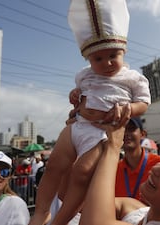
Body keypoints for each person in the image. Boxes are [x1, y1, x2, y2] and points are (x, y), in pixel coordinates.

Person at [30, 1, 150, 225]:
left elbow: (144, 102)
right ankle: (41, 212)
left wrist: (130, 109)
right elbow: (80, 92)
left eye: (113, 55)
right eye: (98, 59)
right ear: (88, 59)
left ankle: (60, 221)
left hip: (103, 134)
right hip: (78, 126)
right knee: (54, 166)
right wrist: (74, 95)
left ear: (123, 51)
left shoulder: (133, 78)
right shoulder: (84, 75)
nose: (107, 63)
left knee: (82, 173)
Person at [115, 117, 160, 201]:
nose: (126, 133)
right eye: (123, 129)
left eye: (131, 129)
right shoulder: (114, 171)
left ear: (142, 134)